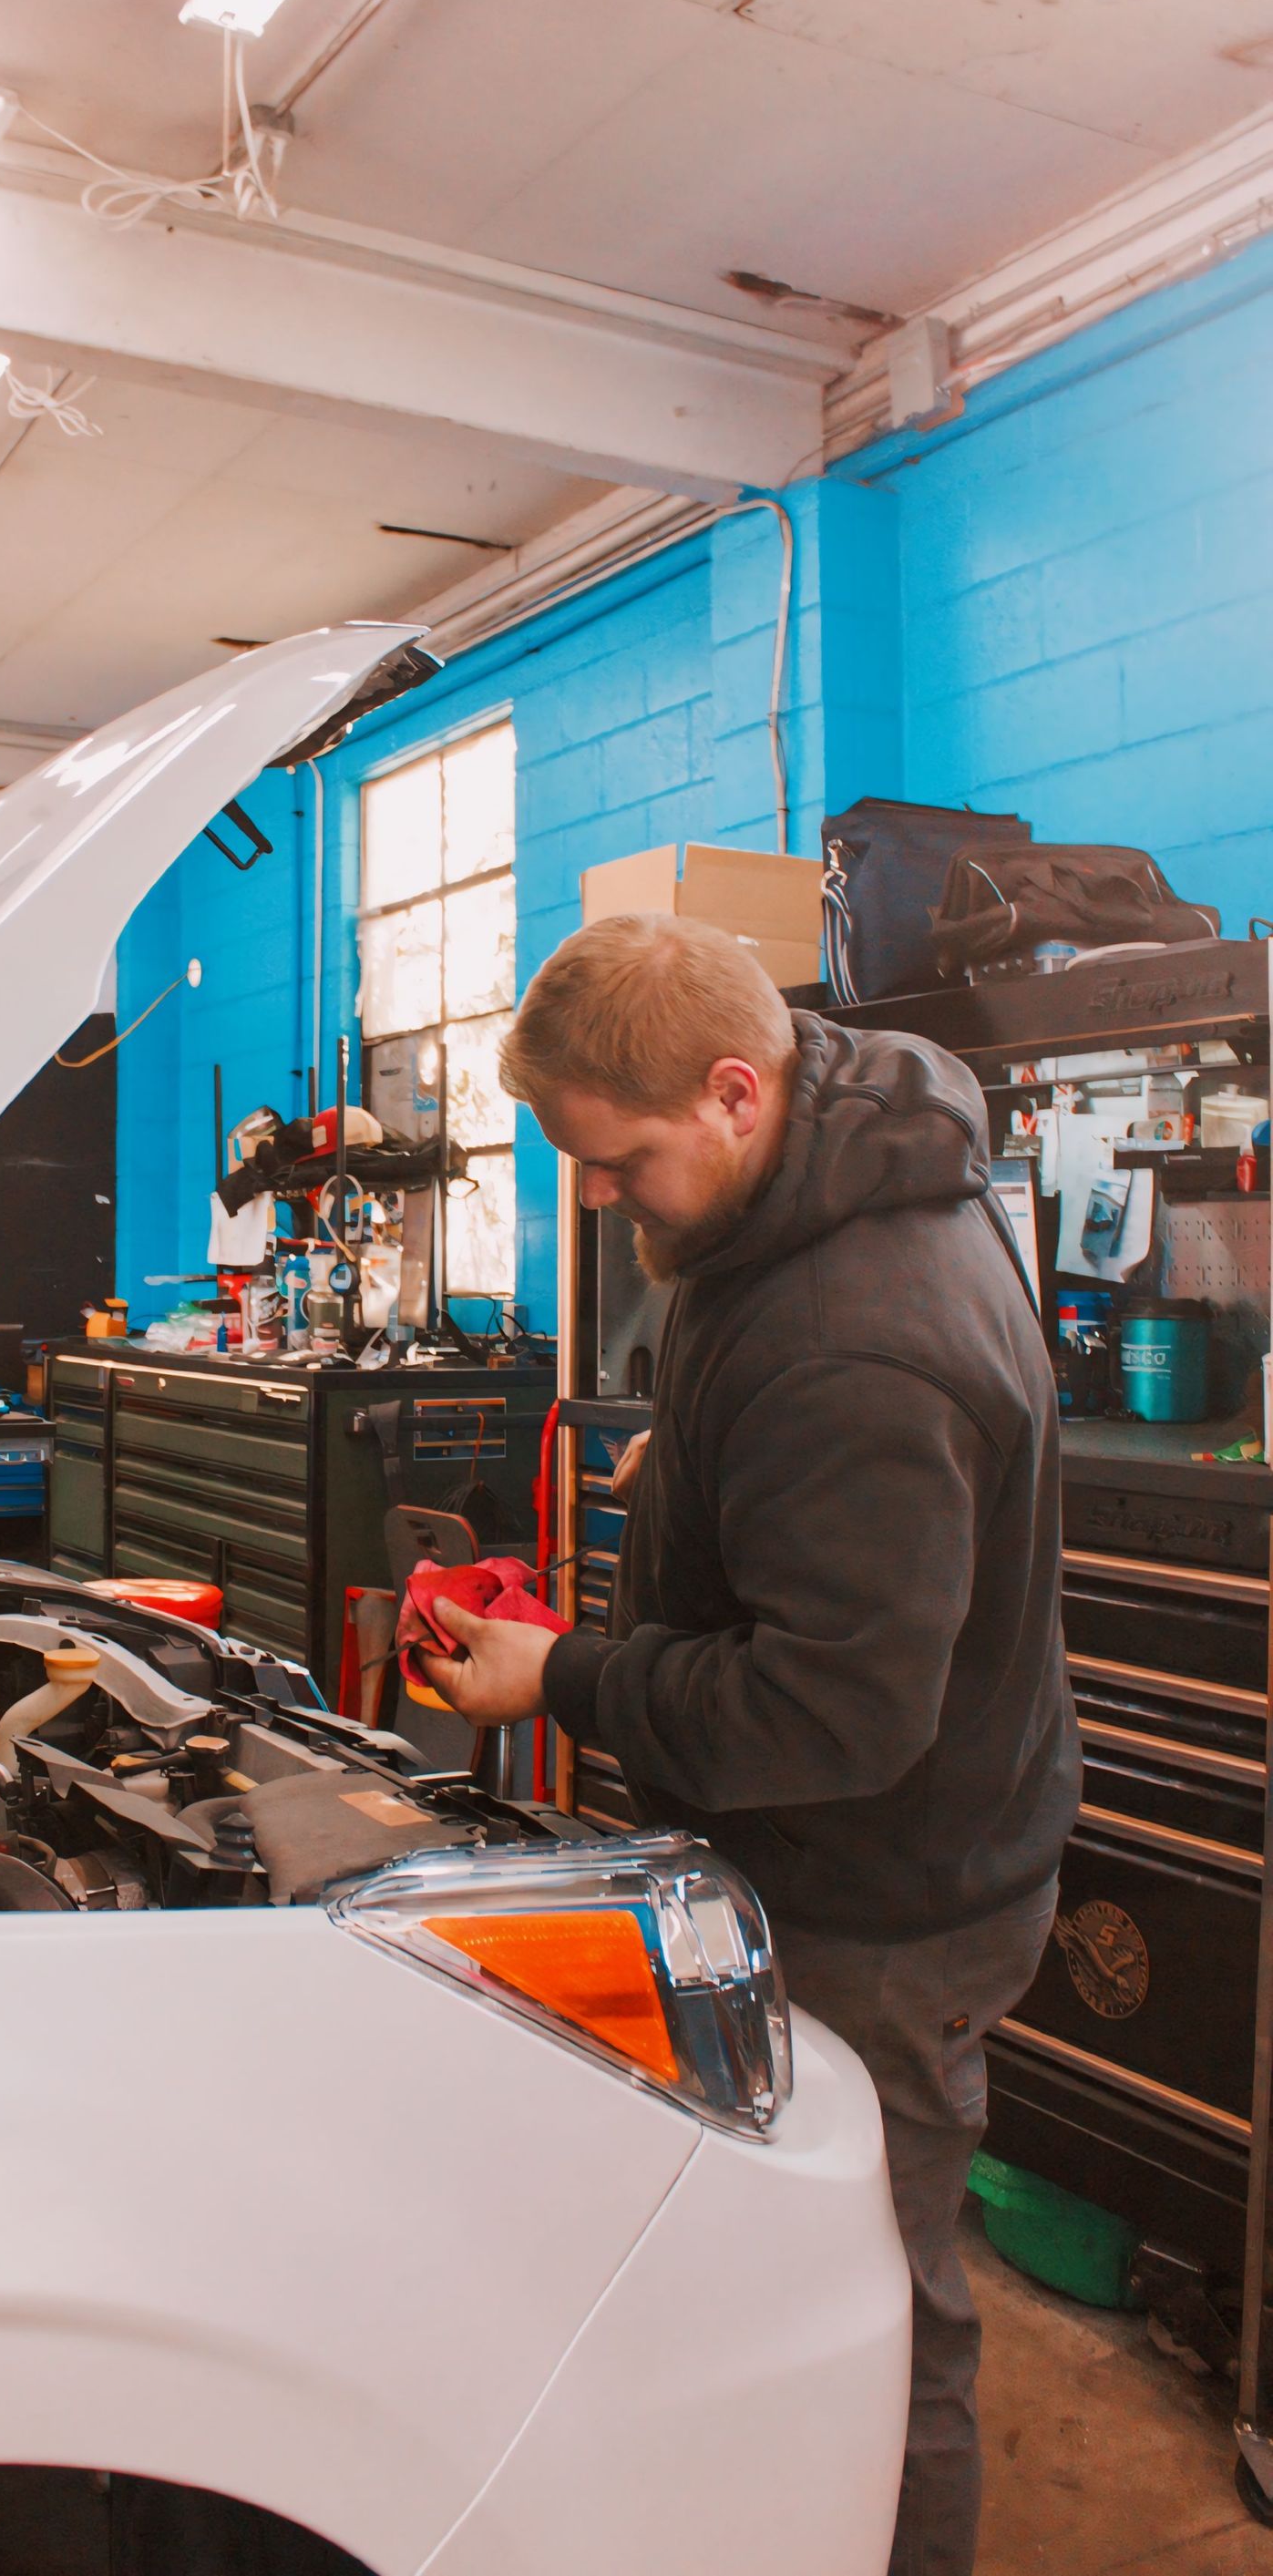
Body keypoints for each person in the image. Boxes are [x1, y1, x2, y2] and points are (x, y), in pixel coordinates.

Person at [424, 911, 1078, 2576]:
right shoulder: (831, 1154)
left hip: (883, 1893)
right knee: (789, 2275)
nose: (596, 1198)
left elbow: (835, 1713)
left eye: (620, 1161)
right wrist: (705, 1471)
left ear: (732, 1089)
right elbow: (814, 1455)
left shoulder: (855, 1338)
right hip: (857, 1855)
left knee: (875, 2307)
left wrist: (561, 1676)